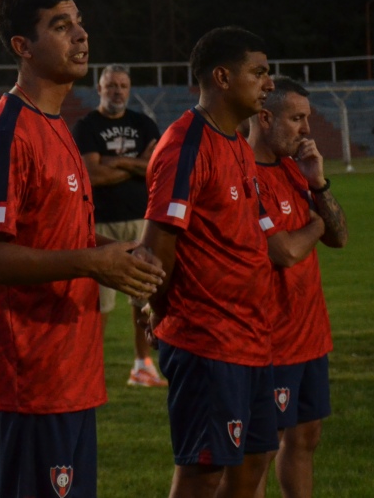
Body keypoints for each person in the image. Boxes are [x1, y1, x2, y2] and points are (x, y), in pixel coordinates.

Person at [0, 0, 165, 498]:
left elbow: (59, 237)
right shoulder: (8, 131)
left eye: (78, 22)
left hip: (71, 372)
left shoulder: (56, 124)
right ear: (22, 48)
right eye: (60, 25)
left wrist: (119, 257)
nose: (80, 35)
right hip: (31, 378)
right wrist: (91, 262)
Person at [140, 26, 277, 498]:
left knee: (254, 462)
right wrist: (161, 313)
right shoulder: (185, 146)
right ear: (222, 77)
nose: (269, 83)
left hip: (253, 337)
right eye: (258, 72)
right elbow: (156, 250)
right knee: (203, 473)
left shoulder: (237, 143)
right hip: (208, 340)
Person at [247, 76, 348, 498]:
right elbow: (284, 253)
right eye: (297, 118)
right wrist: (316, 224)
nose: (306, 129)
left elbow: (339, 237)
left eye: (307, 118)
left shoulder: (294, 168)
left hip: (310, 332)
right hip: (271, 338)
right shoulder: (243, 173)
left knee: (305, 439)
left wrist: (318, 183)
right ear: (265, 117)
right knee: (259, 453)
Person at [72, 64, 166, 387]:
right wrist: (135, 164)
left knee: (143, 295)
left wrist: (118, 162)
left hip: (143, 220)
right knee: (99, 302)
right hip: (100, 223)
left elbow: (154, 168)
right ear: (99, 88)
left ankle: (142, 366)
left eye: (123, 86)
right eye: (111, 86)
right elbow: (92, 174)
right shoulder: (86, 126)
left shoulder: (143, 123)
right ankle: (87, 370)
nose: (117, 92)